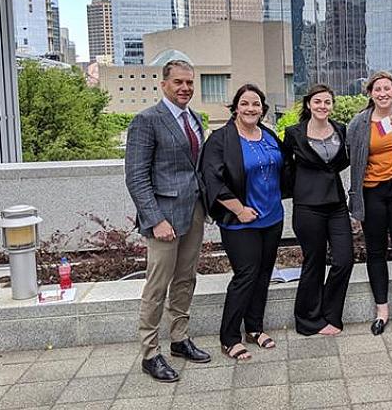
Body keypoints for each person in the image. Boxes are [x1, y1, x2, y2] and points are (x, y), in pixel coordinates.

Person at [125, 59, 211, 383]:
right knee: (157, 286)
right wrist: (156, 219)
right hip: (164, 218)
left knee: (186, 278)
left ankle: (179, 339)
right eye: (178, 82)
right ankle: (150, 354)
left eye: (189, 82)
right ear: (164, 84)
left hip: (193, 211)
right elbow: (136, 177)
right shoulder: (147, 120)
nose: (185, 88)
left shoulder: (195, 118)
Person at [200, 84, 289, 360]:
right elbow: (212, 178)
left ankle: (254, 328)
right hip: (240, 222)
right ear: (235, 107)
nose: (251, 108)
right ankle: (229, 337)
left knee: (264, 274)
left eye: (256, 104)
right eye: (245, 103)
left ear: (262, 109)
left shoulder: (269, 135)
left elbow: (285, 168)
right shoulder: (221, 139)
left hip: (272, 218)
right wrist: (239, 209)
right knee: (246, 275)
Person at [347, 71, 392, 336]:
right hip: (371, 193)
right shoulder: (358, 123)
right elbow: (350, 154)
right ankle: (382, 310)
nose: (383, 93)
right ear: (370, 93)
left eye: (387, 88)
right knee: (376, 251)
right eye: (377, 89)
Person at [283, 84, 354, 336]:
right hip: (308, 206)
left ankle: (331, 314)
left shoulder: (341, 129)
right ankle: (307, 320)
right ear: (308, 104)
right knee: (314, 262)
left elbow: (343, 161)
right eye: (317, 101)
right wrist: (299, 189)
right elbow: (286, 167)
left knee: (344, 260)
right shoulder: (294, 133)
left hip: (336, 203)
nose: (322, 106)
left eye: (327, 102)